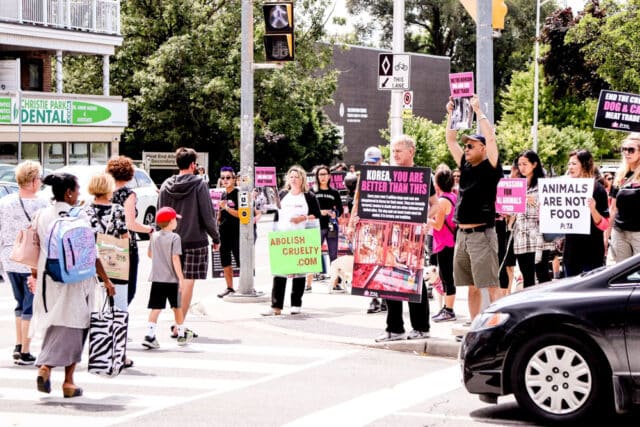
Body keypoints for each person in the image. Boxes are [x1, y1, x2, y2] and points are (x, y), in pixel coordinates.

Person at [29, 173, 115, 398]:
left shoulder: (40, 215)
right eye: (77, 190)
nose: (79, 194)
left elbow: (34, 249)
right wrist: (106, 279)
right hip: (77, 282)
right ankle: (66, 380)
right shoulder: (80, 217)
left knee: (53, 323)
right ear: (68, 192)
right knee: (77, 328)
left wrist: (34, 274)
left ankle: (46, 368)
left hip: (50, 280)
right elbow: (91, 253)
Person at [355, 134, 440, 342]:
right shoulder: (386, 175)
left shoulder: (421, 176)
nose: (395, 155)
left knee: (413, 281)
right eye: (393, 151)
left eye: (399, 151)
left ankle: (421, 327)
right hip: (388, 239)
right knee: (389, 282)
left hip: (411, 241)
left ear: (411, 152)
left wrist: (425, 219)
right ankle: (394, 328)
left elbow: (435, 204)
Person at [445, 95, 503, 321]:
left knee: (490, 284)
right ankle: (474, 324)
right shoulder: (465, 165)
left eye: (470, 145)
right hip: (463, 235)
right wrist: (450, 114)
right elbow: (451, 140)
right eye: (466, 145)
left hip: (482, 234)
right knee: (471, 286)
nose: (466, 148)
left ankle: (498, 328)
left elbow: (491, 138)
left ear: (482, 148)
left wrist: (479, 111)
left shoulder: (491, 167)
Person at [158, 148, 220, 336]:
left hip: (170, 241)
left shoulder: (166, 185)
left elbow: (160, 214)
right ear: (193, 165)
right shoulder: (199, 185)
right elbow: (207, 214)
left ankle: (178, 323)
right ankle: (179, 325)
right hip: (195, 241)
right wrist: (216, 237)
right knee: (188, 284)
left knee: (175, 283)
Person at [0, 161, 49, 365]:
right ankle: (25, 351)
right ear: (32, 181)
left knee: (20, 303)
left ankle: (18, 344)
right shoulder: (42, 205)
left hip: (10, 257)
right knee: (31, 305)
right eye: (38, 178)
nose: (40, 182)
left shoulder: (4, 202)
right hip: (32, 261)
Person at [84, 172, 133, 368]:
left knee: (96, 309)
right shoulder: (117, 210)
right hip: (114, 264)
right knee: (119, 309)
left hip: (92, 264)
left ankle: (96, 350)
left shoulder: (85, 210)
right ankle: (119, 353)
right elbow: (124, 236)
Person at [261, 166, 321, 316]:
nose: (294, 179)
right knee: (279, 273)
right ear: (288, 179)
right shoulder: (281, 194)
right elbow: (270, 208)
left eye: (297, 177)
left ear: (302, 179)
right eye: (291, 177)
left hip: (301, 239)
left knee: (299, 273)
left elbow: (317, 216)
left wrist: (303, 218)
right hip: (282, 238)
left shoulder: (309, 196)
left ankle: (296, 304)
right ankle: (276, 307)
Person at [142, 207, 193, 349]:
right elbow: (175, 258)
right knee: (177, 307)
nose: (176, 222)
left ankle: (149, 335)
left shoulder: (154, 236)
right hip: (172, 280)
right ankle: (181, 334)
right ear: (170, 222)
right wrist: (181, 278)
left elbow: (150, 255)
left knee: (156, 308)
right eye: (175, 220)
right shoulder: (175, 237)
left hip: (157, 278)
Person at [107, 156, 155, 308]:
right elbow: (130, 224)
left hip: (106, 244)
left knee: (110, 289)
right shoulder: (128, 194)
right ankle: (119, 322)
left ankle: (109, 321)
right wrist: (150, 229)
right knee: (128, 290)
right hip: (125, 245)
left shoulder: (104, 192)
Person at [563, 149, 609, 276]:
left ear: (584, 165)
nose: (570, 167)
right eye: (569, 164)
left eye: (574, 164)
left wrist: (593, 210)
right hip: (571, 252)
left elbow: (604, 224)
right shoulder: (563, 188)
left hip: (592, 252)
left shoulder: (598, 190)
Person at [512, 150, 554, 288]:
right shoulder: (517, 185)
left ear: (534, 164)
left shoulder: (545, 185)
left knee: (542, 274)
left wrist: (535, 203)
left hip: (538, 236)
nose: (522, 168)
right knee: (527, 277)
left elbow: (551, 209)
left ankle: (546, 306)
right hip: (521, 236)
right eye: (519, 164)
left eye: (525, 164)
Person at [428, 164, 457, 322]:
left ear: (437, 184)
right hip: (449, 241)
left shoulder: (443, 201)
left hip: (444, 243)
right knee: (446, 276)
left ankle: (449, 310)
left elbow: (438, 225)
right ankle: (447, 308)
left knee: (446, 277)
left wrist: (425, 219)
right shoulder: (452, 196)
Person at [608, 134, 640, 264]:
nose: (627, 152)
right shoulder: (620, 175)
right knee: (619, 274)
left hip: (638, 233)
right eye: (624, 149)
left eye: (631, 150)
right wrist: (606, 236)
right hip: (619, 232)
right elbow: (613, 208)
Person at [312, 165, 344, 292]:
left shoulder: (334, 192)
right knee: (312, 253)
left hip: (331, 227)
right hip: (316, 227)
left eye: (325, 174)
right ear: (317, 176)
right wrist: (321, 212)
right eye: (320, 174)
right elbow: (309, 210)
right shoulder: (312, 191)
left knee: (333, 255)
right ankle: (308, 283)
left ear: (329, 176)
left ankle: (336, 283)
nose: (323, 177)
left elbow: (340, 209)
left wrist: (335, 213)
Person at [217, 166, 240, 298]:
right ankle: (229, 287)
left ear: (234, 179)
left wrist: (225, 207)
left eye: (228, 177)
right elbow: (220, 212)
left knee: (240, 261)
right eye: (223, 177)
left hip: (236, 232)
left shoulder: (239, 193)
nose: (225, 180)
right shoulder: (222, 194)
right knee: (225, 261)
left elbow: (242, 214)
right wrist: (218, 215)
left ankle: (246, 286)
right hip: (223, 232)